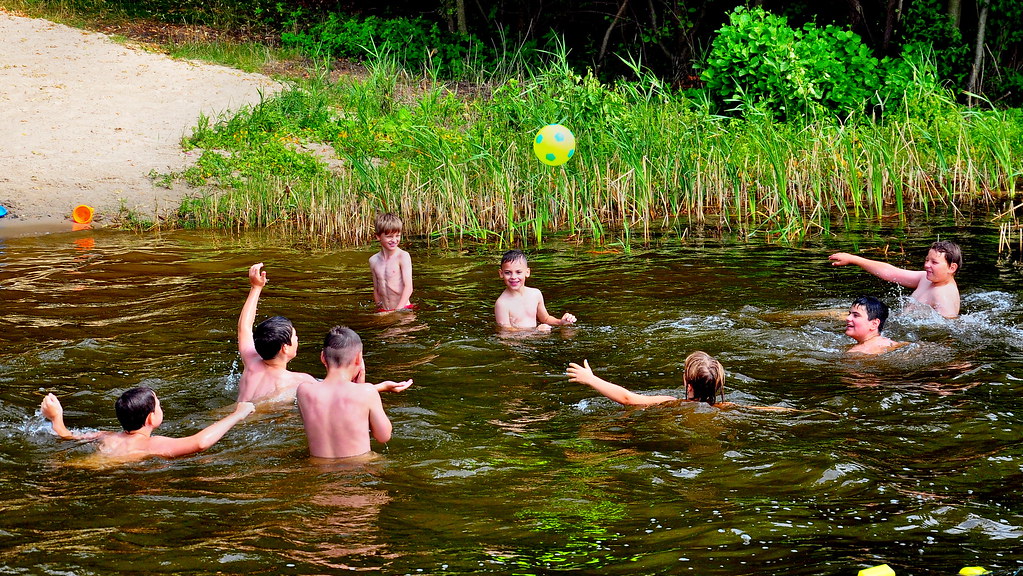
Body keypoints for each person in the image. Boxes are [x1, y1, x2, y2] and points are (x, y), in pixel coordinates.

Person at [40, 387, 255, 461]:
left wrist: (56, 417)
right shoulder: (151, 444)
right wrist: (238, 414)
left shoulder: (107, 436)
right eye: (159, 405)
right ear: (150, 418)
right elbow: (200, 443)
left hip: (89, 466)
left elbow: (66, 436)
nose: (162, 408)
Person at [297, 326, 406, 459]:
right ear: (358, 359)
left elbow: (332, 399)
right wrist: (363, 386)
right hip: (358, 469)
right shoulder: (366, 392)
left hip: (319, 468)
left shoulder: (304, 391)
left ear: (322, 357)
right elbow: (383, 436)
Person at [237, 262, 318, 403]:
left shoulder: (251, 362)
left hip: (237, 416)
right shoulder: (299, 381)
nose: (297, 339)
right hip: (257, 422)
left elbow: (244, 327)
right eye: (294, 336)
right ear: (285, 347)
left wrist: (255, 288)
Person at [828, 240, 962, 318]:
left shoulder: (944, 297)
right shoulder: (926, 279)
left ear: (952, 267)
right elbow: (891, 272)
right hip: (897, 321)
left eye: (934, 262)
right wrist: (853, 259)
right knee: (834, 314)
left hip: (906, 336)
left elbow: (945, 332)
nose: (927, 265)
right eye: (927, 260)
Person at [566, 351, 726, 407]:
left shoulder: (670, 402)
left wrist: (591, 379)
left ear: (689, 386)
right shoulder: (723, 407)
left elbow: (627, 398)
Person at [495, 250, 576, 332]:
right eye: (508, 273)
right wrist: (535, 332)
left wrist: (560, 322)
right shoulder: (502, 303)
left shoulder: (535, 294)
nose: (513, 277)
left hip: (534, 337)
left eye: (518, 272)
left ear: (527, 272)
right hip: (517, 342)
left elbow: (545, 318)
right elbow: (505, 331)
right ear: (501, 273)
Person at [369, 213, 414, 312]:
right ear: (378, 236)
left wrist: (398, 311)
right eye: (389, 236)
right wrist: (379, 308)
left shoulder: (403, 256)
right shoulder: (373, 260)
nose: (394, 240)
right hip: (385, 310)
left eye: (397, 236)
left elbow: (409, 287)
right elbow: (376, 289)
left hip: (403, 308)